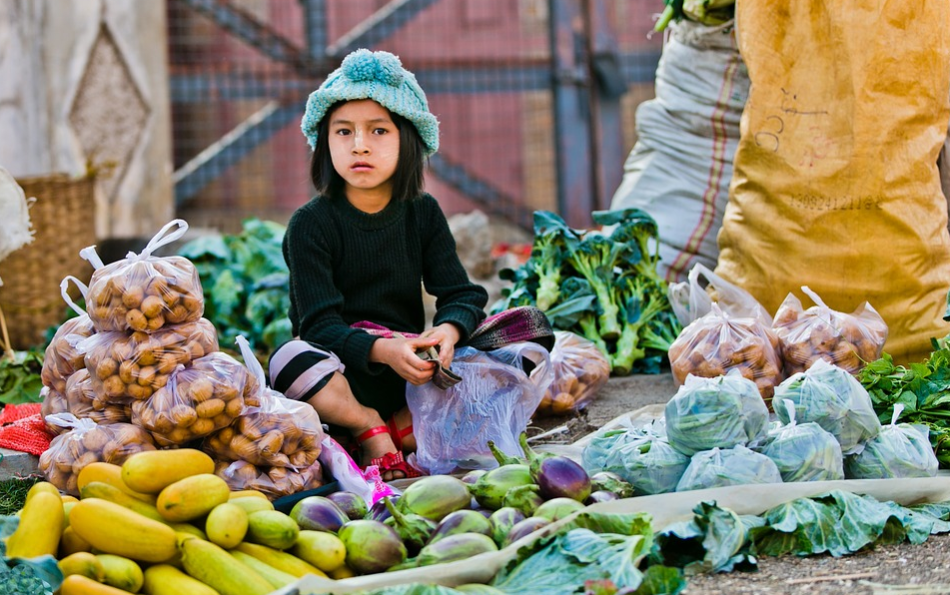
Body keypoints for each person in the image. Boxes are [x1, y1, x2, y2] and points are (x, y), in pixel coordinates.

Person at [268, 49, 489, 480]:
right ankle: (367, 425)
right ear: (324, 143)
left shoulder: (422, 212)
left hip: (412, 373)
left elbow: (462, 294)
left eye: (378, 131)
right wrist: (380, 350)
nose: (360, 144)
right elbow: (317, 326)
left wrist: (447, 331)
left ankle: (405, 424)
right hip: (340, 376)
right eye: (343, 132)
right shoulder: (310, 224)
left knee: (510, 345)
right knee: (288, 357)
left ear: (408, 140)